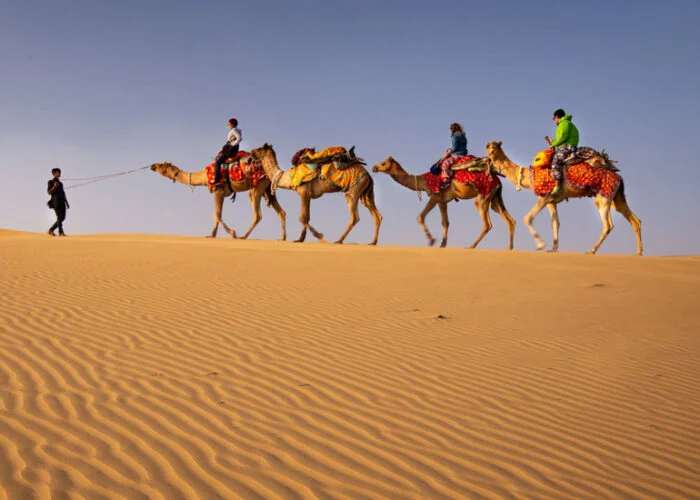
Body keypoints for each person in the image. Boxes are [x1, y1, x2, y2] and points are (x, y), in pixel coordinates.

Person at [545, 109, 579, 195]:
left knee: (555, 161)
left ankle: (558, 185)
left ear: (557, 117)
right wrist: (552, 142)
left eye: (554, 118)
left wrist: (553, 143)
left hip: (567, 147)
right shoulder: (566, 123)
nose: (554, 120)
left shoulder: (564, 123)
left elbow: (563, 137)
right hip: (566, 146)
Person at [213, 118, 242, 184]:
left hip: (231, 150)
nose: (228, 125)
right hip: (234, 148)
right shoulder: (237, 130)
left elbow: (239, 138)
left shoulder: (233, 130)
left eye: (229, 124)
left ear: (232, 124)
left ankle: (216, 179)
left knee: (217, 162)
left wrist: (232, 144)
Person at [439, 123, 468, 189]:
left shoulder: (455, 136)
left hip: (457, 155)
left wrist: (449, 151)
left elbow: (455, 147)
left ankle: (446, 181)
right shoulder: (463, 136)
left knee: (444, 163)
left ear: (453, 129)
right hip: (464, 154)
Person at [47, 168, 69, 236]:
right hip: (56, 202)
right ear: (54, 173)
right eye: (58, 172)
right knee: (59, 217)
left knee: (62, 217)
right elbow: (49, 192)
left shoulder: (61, 183)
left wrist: (66, 202)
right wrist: (54, 186)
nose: (59, 173)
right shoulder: (51, 182)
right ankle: (61, 232)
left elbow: (63, 192)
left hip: (62, 201)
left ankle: (51, 230)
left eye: (59, 172)